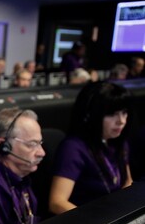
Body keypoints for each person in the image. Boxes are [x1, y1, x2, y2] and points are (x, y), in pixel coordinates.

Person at [48, 82, 133, 214]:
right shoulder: (73, 148)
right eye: (112, 114)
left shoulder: (118, 141)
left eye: (124, 113)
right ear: (91, 115)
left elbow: (127, 181)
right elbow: (57, 203)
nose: (121, 121)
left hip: (113, 217)